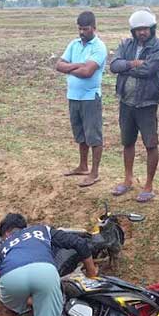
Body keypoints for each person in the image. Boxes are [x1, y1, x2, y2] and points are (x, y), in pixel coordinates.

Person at [109, 9, 159, 202]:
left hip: (147, 103)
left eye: (145, 29)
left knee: (151, 144)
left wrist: (125, 67)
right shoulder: (126, 44)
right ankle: (128, 180)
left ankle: (148, 186)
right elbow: (114, 66)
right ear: (133, 31)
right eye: (138, 29)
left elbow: (148, 70)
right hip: (126, 101)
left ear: (152, 28)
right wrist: (134, 63)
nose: (142, 32)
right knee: (127, 142)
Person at [55, 11, 108, 188]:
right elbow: (58, 65)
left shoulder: (99, 47)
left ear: (94, 28)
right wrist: (78, 65)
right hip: (73, 96)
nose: (82, 32)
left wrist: (69, 68)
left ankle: (94, 172)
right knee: (80, 134)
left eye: (85, 29)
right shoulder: (74, 44)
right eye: (79, 29)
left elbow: (87, 72)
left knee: (94, 135)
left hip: (90, 97)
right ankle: (83, 166)